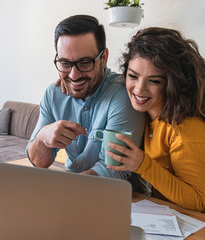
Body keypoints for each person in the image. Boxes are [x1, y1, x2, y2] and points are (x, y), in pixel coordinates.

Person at [106, 27, 205, 227]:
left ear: (173, 84)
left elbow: (196, 200)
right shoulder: (144, 111)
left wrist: (143, 165)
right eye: (133, 76)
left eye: (154, 81)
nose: (139, 89)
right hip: (185, 221)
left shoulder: (186, 127)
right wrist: (69, 80)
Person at [26, 15, 148, 191]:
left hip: (114, 196)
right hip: (74, 189)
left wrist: (62, 190)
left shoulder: (122, 95)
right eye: (65, 63)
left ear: (104, 58)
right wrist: (42, 137)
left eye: (85, 63)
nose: (74, 75)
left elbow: (113, 172)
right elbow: (39, 162)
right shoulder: (53, 94)